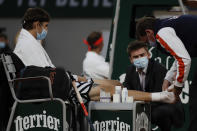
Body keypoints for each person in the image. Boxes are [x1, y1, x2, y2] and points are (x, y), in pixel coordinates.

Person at [13, 7, 176, 105]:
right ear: (36, 25)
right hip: (61, 89)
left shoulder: (30, 42)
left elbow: (46, 72)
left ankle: (151, 99)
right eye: (46, 26)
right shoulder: (26, 45)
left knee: (116, 84)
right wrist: (74, 79)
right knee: (110, 89)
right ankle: (159, 96)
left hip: (64, 82)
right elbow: (42, 78)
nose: (46, 30)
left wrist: (74, 77)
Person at [135, 15, 197, 131]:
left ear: (149, 32)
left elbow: (184, 60)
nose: (149, 45)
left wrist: (177, 88)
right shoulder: (166, 25)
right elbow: (181, 54)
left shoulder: (162, 33)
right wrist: (168, 78)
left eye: (147, 42)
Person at [123, 41, 184, 131]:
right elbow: (127, 91)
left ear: (148, 55)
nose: (139, 58)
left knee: (155, 112)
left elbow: (159, 98)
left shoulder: (159, 69)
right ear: (131, 59)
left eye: (142, 55)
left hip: (167, 107)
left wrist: (138, 100)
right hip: (146, 106)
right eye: (136, 57)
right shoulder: (130, 71)